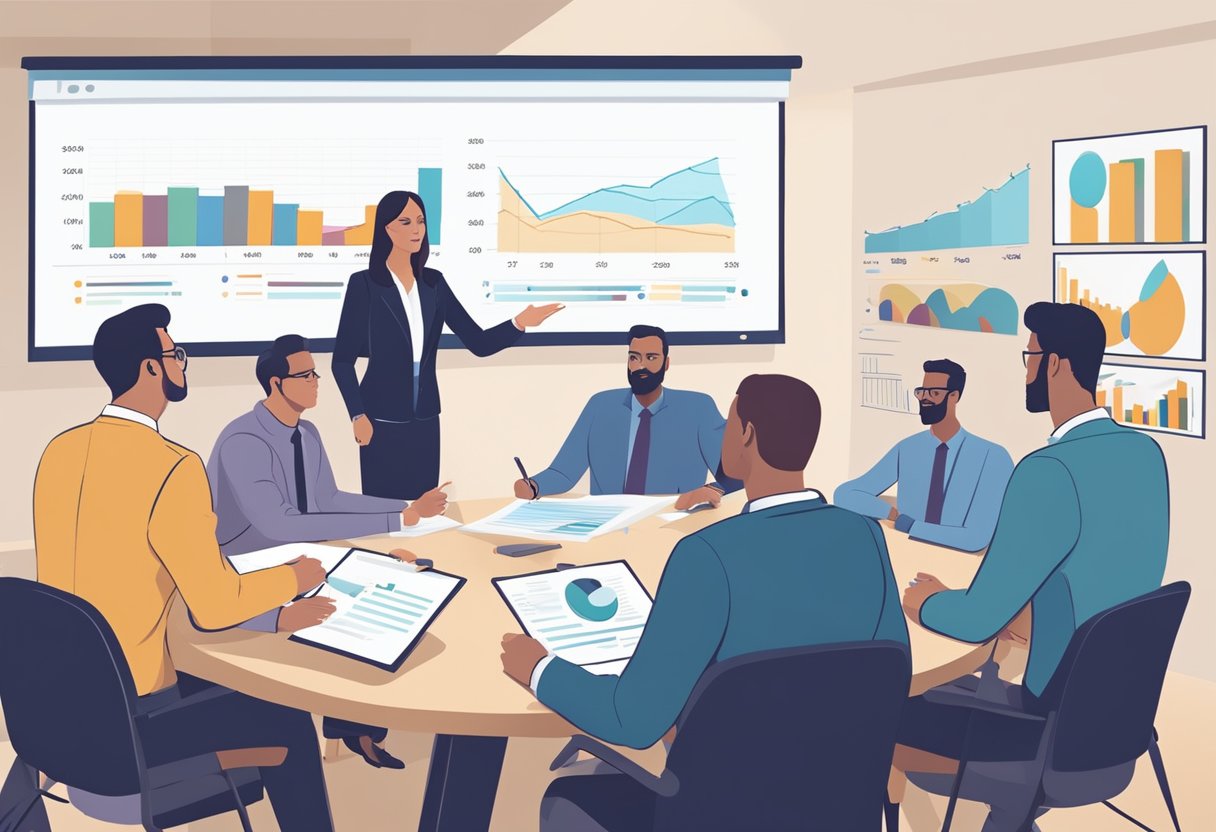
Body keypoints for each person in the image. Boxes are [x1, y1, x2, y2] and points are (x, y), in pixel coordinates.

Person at [501, 374, 909, 831]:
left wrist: (540, 668)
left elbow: (631, 721)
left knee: (567, 794)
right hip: (835, 805)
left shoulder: (708, 554)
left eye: (729, 422)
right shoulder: (865, 537)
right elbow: (889, 668)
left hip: (717, 813)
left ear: (747, 433)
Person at [33, 304, 334, 831]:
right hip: (132, 726)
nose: (182, 365)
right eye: (176, 355)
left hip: (59, 714)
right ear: (152, 368)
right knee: (285, 713)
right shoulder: (172, 464)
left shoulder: (58, 451)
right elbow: (215, 605)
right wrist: (296, 577)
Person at [892, 302, 1170, 831]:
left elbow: (974, 620)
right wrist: (1027, 621)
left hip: (1045, 730)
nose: (1026, 370)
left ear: (1057, 365)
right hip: (1115, 722)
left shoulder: (1048, 471)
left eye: (1030, 356)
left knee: (881, 711)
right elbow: (1106, 589)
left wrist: (927, 600)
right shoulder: (1144, 454)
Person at [210, 333, 449, 769]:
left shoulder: (308, 433)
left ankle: (357, 727)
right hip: (252, 566)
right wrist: (396, 521)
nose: (316, 382)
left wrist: (405, 507)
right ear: (276, 383)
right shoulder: (243, 441)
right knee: (346, 606)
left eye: (315, 373)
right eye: (305, 375)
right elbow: (277, 523)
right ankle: (349, 725)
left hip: (302, 552)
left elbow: (329, 499)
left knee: (391, 579)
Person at [333, 190, 562, 501]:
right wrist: (357, 415)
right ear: (387, 229)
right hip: (380, 419)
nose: (416, 229)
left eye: (421, 221)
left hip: (425, 419)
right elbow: (342, 360)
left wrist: (519, 323)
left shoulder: (434, 284)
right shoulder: (365, 285)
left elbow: (477, 342)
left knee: (425, 508)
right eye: (406, 221)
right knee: (382, 511)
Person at [512, 325, 742, 508]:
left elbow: (735, 475)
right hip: (608, 522)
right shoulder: (600, 405)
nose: (640, 366)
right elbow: (564, 472)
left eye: (651, 358)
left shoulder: (698, 408)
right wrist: (533, 486)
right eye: (634, 357)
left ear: (667, 363)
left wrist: (712, 490)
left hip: (671, 519)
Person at [835, 358, 1013, 552]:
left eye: (934, 393)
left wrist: (911, 526)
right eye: (922, 392)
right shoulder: (908, 449)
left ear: (954, 396)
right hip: (907, 554)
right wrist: (891, 514)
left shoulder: (992, 457)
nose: (924, 399)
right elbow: (845, 494)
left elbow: (976, 538)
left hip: (961, 564)